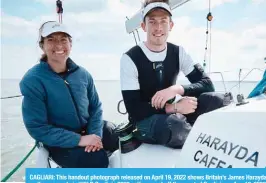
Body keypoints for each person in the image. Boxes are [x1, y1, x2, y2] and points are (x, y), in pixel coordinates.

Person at [120, 0, 228, 149]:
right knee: (176, 125)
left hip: (175, 109)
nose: (158, 27)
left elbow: (208, 85)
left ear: (171, 25)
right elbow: (134, 109)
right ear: (143, 26)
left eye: (163, 21)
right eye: (152, 22)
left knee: (218, 100)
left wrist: (176, 89)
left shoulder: (178, 52)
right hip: (144, 120)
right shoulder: (130, 58)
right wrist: (174, 108)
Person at [19, 21, 118, 168]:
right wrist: (80, 140)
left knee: (121, 136)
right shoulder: (33, 80)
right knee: (97, 160)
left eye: (63, 40)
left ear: (70, 44)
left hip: (88, 129)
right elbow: (37, 127)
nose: (58, 45)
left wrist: (94, 136)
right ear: (42, 45)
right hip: (59, 142)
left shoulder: (83, 74)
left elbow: (95, 108)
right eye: (51, 39)